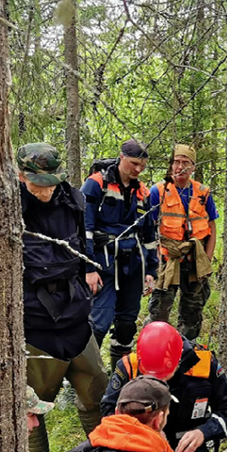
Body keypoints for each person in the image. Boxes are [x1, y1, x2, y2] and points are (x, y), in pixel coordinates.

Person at [17, 142, 109, 452]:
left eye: (51, 183)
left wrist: (88, 268)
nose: (45, 192)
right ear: (21, 175)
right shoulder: (9, 209)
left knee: (98, 391)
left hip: (76, 319)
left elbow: (82, 243)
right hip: (38, 329)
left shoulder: (72, 198)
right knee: (31, 411)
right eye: (38, 185)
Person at [101, 321, 227, 452]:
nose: (158, 383)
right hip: (140, 441)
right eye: (150, 376)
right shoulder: (129, 366)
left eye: (163, 377)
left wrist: (203, 432)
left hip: (187, 443)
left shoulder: (204, 365)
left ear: (178, 360)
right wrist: (148, 434)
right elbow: (108, 411)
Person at [81, 138, 159, 368]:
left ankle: (119, 373)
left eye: (142, 166)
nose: (138, 169)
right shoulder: (96, 185)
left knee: (126, 324)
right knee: (99, 323)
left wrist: (151, 271)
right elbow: (83, 229)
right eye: (134, 163)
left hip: (133, 265)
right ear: (122, 157)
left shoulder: (143, 192)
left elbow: (149, 235)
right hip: (102, 265)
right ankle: (84, 377)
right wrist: (88, 268)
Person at [148, 144, 218, 340]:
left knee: (192, 313)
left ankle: (186, 352)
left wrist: (207, 258)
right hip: (167, 260)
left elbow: (212, 228)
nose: (180, 167)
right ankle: (154, 348)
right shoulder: (158, 191)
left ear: (193, 167)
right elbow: (148, 229)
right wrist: (153, 261)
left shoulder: (203, 193)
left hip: (195, 261)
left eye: (185, 162)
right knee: (159, 312)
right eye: (176, 162)